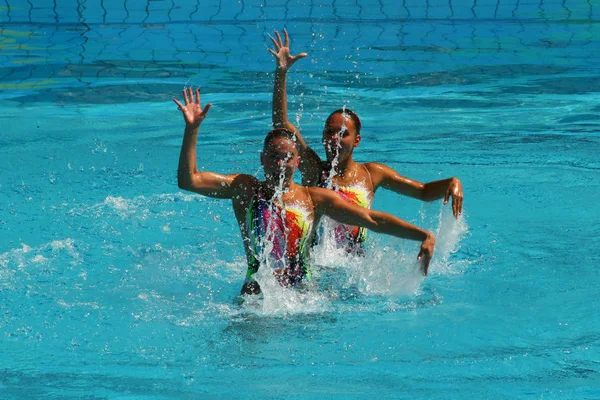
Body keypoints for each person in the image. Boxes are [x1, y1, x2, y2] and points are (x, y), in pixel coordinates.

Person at [174, 88, 435, 295]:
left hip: (305, 299)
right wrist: (192, 129)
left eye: (287, 158)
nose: (280, 164)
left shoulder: (314, 199)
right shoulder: (246, 190)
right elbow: (190, 181)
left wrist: (422, 234)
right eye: (274, 157)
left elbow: (370, 219)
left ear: (297, 162)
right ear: (262, 159)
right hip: (257, 298)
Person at [268, 29, 464, 253]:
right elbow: (281, 124)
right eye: (330, 132)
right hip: (315, 264)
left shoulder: (371, 174)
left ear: (357, 140)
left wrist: (453, 183)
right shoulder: (313, 168)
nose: (334, 138)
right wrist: (281, 73)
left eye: (343, 134)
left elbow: (423, 191)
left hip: (357, 264)